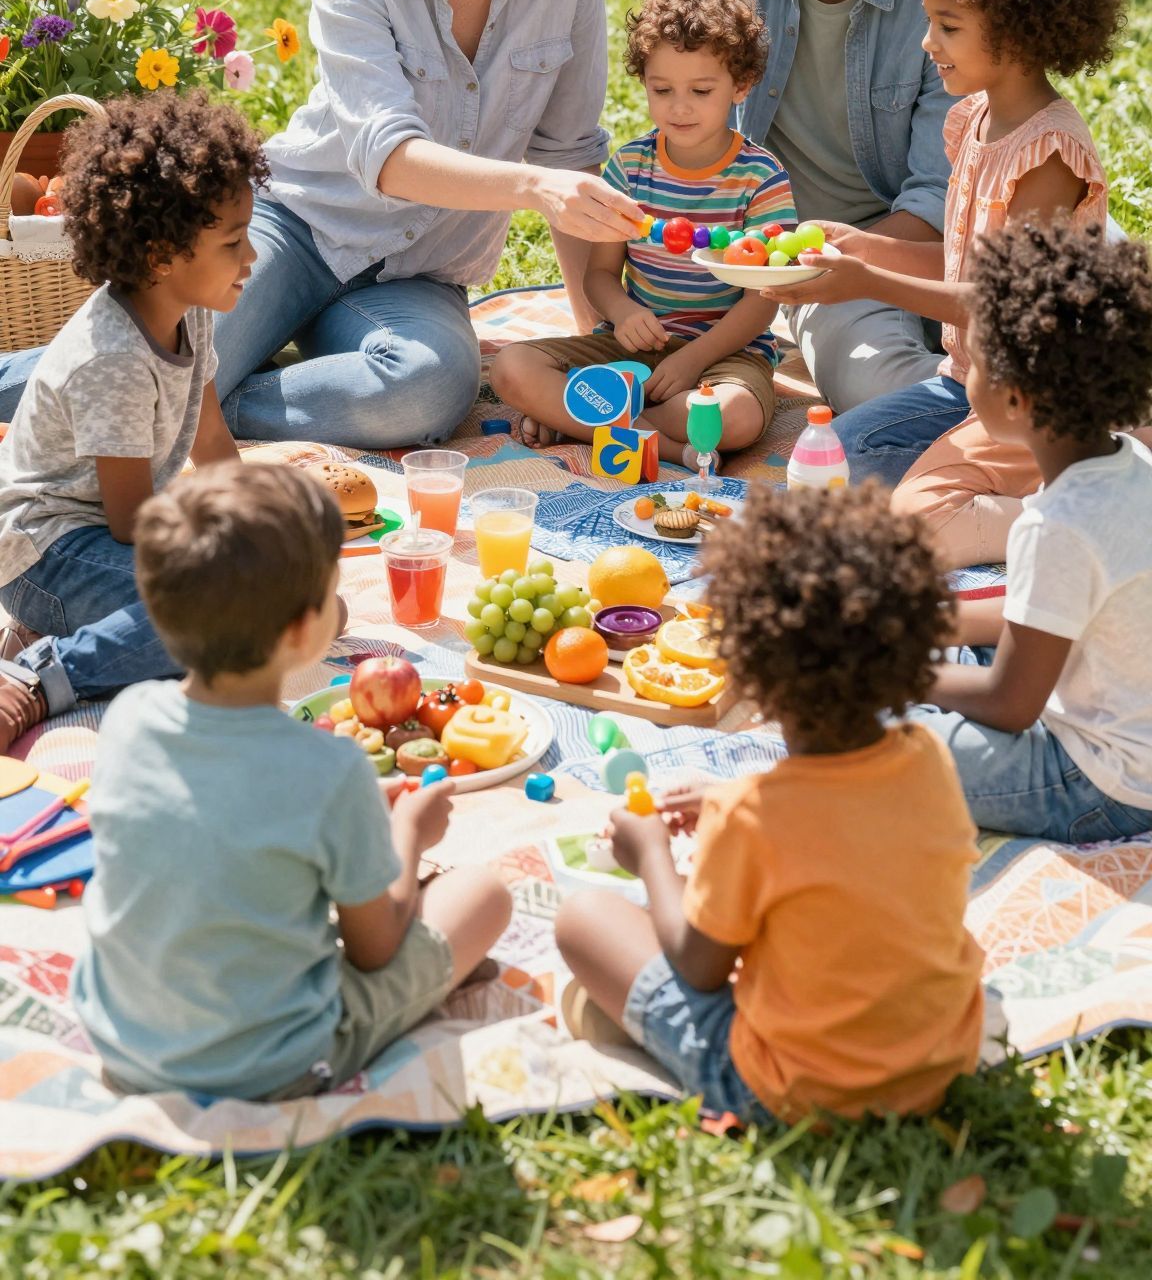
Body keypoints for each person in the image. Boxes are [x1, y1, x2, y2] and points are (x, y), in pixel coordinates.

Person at [155, 0, 636, 452]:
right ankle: (184, 393)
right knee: (147, 369)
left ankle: (205, 404)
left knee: (430, 391)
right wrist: (535, 186)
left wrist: (594, 342)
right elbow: (388, 156)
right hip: (296, 229)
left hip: (421, 273)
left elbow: (570, 154)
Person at [73, 462, 511, 1098]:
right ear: (307, 630)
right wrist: (408, 834)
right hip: (271, 1064)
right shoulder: (328, 770)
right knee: (482, 894)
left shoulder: (128, 716)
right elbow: (374, 949)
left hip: (124, 1040)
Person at [556, 480, 984, 1124]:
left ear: (749, 675)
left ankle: (645, 1038)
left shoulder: (753, 816)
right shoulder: (928, 756)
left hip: (792, 1092)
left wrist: (650, 856)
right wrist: (734, 799)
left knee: (585, 918)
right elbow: (844, 826)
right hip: (941, 1064)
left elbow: (699, 968)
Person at [772, 0, 1125, 567]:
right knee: (823, 471)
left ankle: (1087, 509)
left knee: (917, 519)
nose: (928, 44)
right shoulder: (976, 119)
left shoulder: (1047, 154)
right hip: (966, 386)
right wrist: (862, 248)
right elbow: (964, 262)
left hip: (1035, 401)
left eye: (949, 27)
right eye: (929, 22)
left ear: (1021, 33)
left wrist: (864, 280)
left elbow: (1004, 303)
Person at [0, 92, 279, 753]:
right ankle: (43, 676)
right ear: (160, 255)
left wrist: (264, 533)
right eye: (233, 242)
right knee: (217, 614)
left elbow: (212, 444)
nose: (253, 259)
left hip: (100, 535)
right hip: (42, 551)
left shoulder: (194, 309)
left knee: (264, 591)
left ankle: (72, 629)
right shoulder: (114, 358)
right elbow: (132, 522)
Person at [686, 0, 950, 414]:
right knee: (886, 393)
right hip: (816, 268)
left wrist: (862, 253)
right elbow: (689, 134)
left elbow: (941, 193)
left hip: (951, 244)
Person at [910, 218, 1152, 843]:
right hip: (1106, 713)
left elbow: (1010, 702)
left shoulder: (1059, 525)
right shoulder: (1123, 461)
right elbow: (1039, 622)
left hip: (1099, 780)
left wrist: (886, 667)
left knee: (869, 734)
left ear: (1015, 399)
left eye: (977, 359)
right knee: (929, 642)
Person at [491, 0, 794, 463]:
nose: (678, 106)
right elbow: (601, 276)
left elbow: (763, 302)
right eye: (661, 88)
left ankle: (587, 419)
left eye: (700, 90)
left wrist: (695, 357)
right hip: (630, 349)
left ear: (741, 85)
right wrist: (625, 313)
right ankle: (670, 448)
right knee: (511, 367)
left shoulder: (761, 177)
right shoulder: (630, 168)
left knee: (732, 416)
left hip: (723, 356)